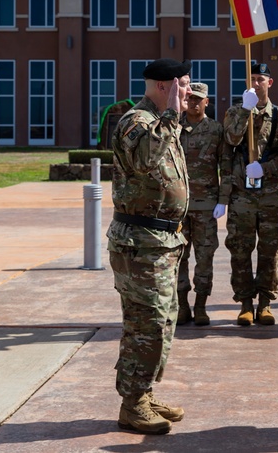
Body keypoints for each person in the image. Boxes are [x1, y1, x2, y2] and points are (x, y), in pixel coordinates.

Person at [107, 57, 192, 435]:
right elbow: (144, 160)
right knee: (146, 322)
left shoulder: (161, 124)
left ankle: (144, 390)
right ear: (166, 86)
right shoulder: (136, 122)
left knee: (163, 321)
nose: (189, 92)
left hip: (162, 240)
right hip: (140, 242)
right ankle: (132, 403)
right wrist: (172, 115)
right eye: (185, 85)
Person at [222, 63, 278, 326]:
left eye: (260, 79)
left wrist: (264, 169)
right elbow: (231, 139)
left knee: (269, 250)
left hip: (269, 195)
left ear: (270, 82)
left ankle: (264, 303)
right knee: (240, 250)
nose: (255, 83)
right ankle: (244, 303)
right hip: (241, 195)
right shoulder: (234, 111)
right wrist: (245, 109)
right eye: (251, 79)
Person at [177, 82, 231, 326]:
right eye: (190, 98)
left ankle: (200, 306)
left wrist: (223, 200)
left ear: (207, 102)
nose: (194, 103)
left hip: (206, 205)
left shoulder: (216, 130)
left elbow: (226, 167)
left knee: (205, 257)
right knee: (178, 257)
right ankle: (182, 306)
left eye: (199, 99)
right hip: (177, 207)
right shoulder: (174, 127)